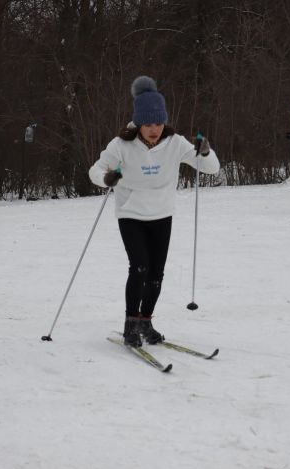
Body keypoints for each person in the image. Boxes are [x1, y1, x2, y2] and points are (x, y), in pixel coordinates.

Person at [88, 76, 220, 348]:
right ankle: (130, 325)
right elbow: (95, 170)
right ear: (138, 123)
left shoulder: (175, 142)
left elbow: (211, 168)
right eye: (148, 124)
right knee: (139, 268)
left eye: (158, 123)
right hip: (131, 214)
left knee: (156, 274)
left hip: (162, 215)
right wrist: (107, 178)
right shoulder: (121, 145)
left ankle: (145, 322)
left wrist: (205, 152)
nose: (154, 129)